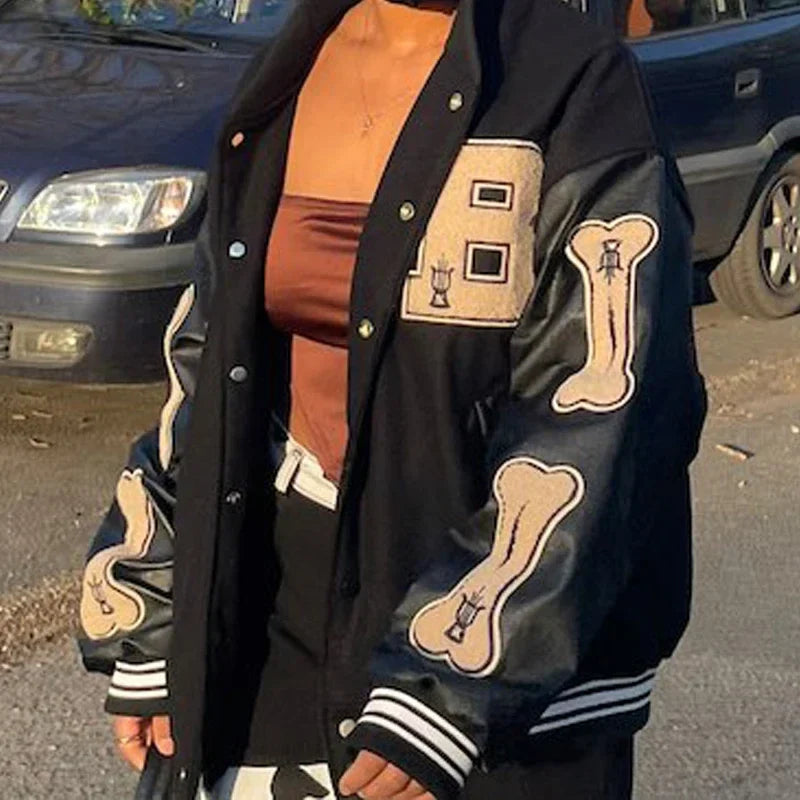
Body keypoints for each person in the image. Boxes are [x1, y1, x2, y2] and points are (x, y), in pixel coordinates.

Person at [77, 0, 707, 798]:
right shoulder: (289, 68)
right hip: (272, 593)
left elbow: (610, 410)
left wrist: (447, 686)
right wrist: (153, 617)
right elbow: (207, 360)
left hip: (486, 636)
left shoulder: (573, 83)